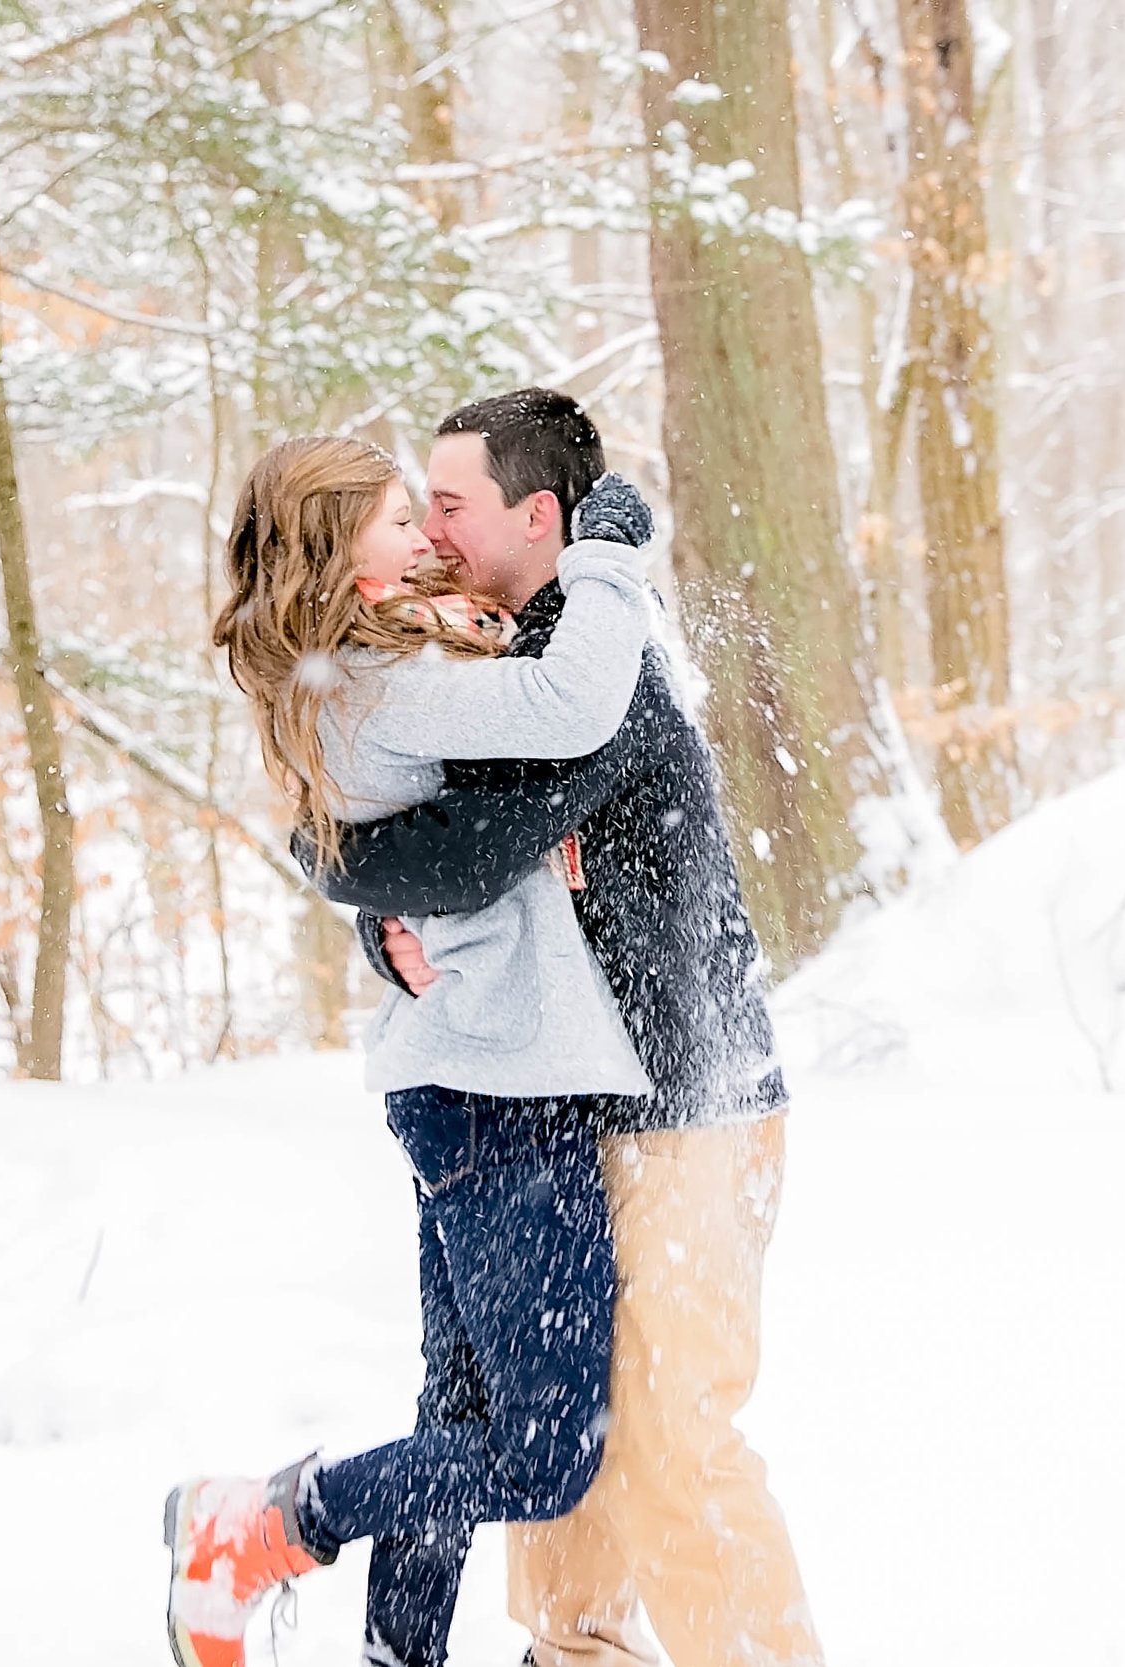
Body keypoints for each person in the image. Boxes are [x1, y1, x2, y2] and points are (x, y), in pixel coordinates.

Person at [316, 388, 825, 1667]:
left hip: (689, 1094)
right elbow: (432, 822)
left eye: (449, 504)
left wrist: (335, 867)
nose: (428, 527)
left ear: (537, 517)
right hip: (573, 1100)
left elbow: (474, 845)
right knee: (584, 1420)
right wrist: (373, 915)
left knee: (671, 1433)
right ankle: (574, 1653)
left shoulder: (603, 660)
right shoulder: (495, 645)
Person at [165, 434, 666, 1667]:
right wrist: (607, 553)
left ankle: (401, 1653)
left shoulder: (365, 670)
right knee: (541, 1452)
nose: (426, 533)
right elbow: (570, 705)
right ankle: (260, 1523)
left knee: (459, 1416)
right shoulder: (374, 683)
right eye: (400, 517)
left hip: (468, 1076)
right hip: (497, 1085)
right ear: (341, 558)